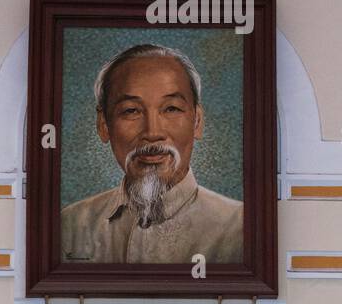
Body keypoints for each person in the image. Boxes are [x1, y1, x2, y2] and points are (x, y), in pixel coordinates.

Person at [61, 44, 243, 264]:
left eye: (171, 109)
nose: (152, 133)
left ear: (197, 121)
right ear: (103, 125)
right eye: (131, 111)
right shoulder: (71, 224)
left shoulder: (240, 227)